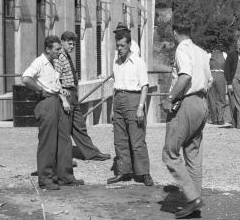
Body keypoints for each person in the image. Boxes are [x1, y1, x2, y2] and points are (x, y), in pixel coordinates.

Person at [161, 20, 212, 219]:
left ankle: (192, 198)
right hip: (202, 102)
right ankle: (195, 201)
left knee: (170, 153)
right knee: (192, 152)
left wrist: (169, 98)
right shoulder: (200, 51)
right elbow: (210, 80)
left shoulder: (182, 49)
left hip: (187, 102)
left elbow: (185, 76)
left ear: (175, 33)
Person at [22, 35, 82, 189]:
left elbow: (54, 83)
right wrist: (40, 90)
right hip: (46, 103)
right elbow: (26, 78)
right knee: (48, 142)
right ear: (48, 49)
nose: (59, 51)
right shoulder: (39, 62)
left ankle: (65, 176)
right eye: (56, 49)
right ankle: (46, 179)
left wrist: (62, 93)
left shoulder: (53, 63)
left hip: (57, 101)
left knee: (64, 139)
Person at [54, 31, 111, 162]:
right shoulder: (59, 58)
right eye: (69, 44)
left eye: (73, 44)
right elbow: (55, 80)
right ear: (62, 42)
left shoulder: (66, 56)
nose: (72, 46)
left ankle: (92, 153)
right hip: (66, 95)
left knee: (80, 126)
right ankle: (63, 158)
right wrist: (63, 98)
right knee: (64, 130)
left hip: (73, 95)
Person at [108, 30, 153, 186]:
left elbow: (145, 87)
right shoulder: (116, 62)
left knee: (137, 139)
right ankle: (123, 171)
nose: (119, 49)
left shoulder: (139, 62)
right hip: (118, 99)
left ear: (129, 45)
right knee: (120, 139)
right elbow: (115, 87)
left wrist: (140, 107)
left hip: (134, 99)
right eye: (117, 46)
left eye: (122, 45)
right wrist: (113, 110)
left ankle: (144, 173)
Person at [224, 36, 240, 129]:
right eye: (239, 45)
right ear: (236, 45)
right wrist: (229, 83)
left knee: (237, 102)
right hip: (234, 79)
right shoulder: (231, 55)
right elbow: (227, 69)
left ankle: (236, 123)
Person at [207, 46, 227, 125]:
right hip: (221, 74)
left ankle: (214, 119)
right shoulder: (224, 54)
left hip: (211, 75)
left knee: (212, 97)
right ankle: (220, 118)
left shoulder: (209, 55)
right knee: (221, 97)